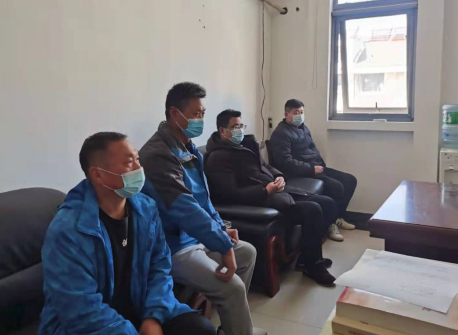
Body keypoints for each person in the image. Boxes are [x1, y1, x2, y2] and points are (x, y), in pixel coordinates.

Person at [39, 132, 215, 335]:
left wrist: (153, 317)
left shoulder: (146, 209)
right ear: (98, 175)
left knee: (201, 329)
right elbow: (79, 308)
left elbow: (159, 267)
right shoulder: (68, 230)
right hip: (89, 327)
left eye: (137, 159)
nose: (139, 168)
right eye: (129, 163)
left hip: (139, 310)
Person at [139, 82, 265, 335]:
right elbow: (185, 208)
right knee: (233, 288)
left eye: (203, 113)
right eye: (196, 114)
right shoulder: (157, 155)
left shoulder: (189, 148)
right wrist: (222, 244)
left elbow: (204, 200)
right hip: (172, 247)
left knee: (247, 252)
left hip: (195, 236)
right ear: (175, 114)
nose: (200, 120)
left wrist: (221, 229)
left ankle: (232, 326)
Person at [204, 109, 337, 287]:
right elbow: (229, 193)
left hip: (276, 190)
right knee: (313, 209)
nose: (240, 130)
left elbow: (265, 166)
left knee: (327, 203)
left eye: (241, 126)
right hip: (261, 199)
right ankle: (313, 266)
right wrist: (265, 191)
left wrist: (279, 176)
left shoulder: (245, 145)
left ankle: (307, 257)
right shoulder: (218, 157)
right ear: (222, 130)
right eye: (235, 127)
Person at [270, 99, 358, 242]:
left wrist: (320, 165)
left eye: (302, 112)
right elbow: (285, 162)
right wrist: (311, 169)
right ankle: (329, 225)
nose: (300, 115)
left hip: (316, 167)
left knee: (350, 180)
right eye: (296, 112)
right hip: (301, 172)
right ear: (286, 114)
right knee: (337, 187)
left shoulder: (303, 128)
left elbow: (312, 150)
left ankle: (337, 218)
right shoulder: (281, 133)